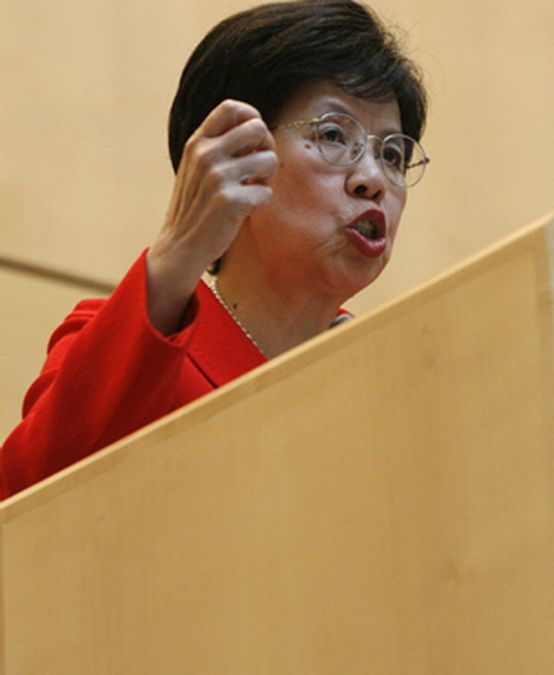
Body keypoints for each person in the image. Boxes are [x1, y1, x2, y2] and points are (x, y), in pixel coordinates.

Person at [1, 0, 429, 498]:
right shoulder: (136, 350)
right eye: (334, 135)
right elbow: (25, 508)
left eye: (392, 154)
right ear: (234, 158)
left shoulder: (397, 385)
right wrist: (177, 252)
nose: (374, 179)